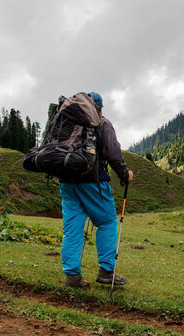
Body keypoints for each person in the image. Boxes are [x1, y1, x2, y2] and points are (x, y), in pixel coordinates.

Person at [59, 92, 134, 288]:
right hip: (93, 182)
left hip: (67, 181)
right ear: (99, 107)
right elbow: (113, 153)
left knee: (72, 229)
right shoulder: (102, 123)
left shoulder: (67, 122)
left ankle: (72, 276)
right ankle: (106, 271)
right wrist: (125, 174)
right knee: (108, 222)